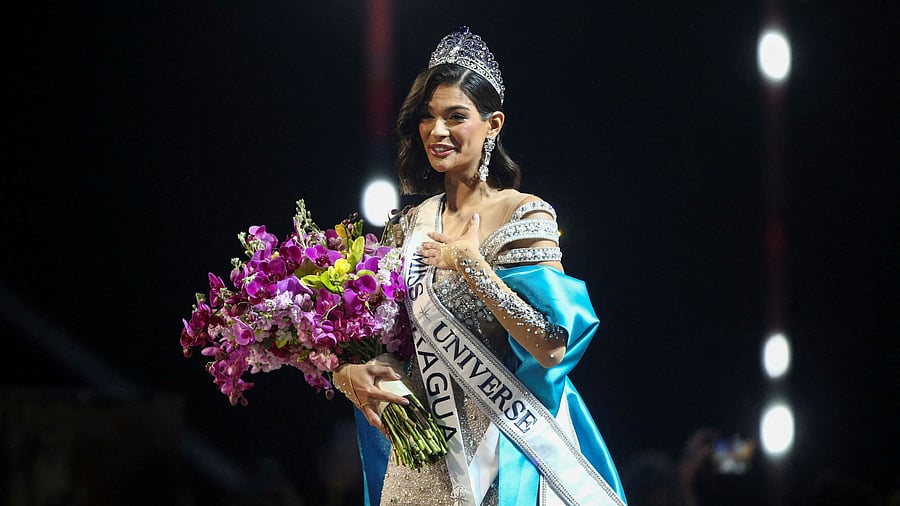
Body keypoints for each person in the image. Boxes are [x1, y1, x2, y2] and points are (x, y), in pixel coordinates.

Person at [330, 26, 628, 506]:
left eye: (455, 116)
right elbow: (386, 342)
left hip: (502, 452)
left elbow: (553, 347)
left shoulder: (524, 214)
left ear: (493, 124)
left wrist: (472, 266)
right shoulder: (407, 226)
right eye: (427, 117)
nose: (437, 131)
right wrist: (346, 373)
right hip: (420, 465)